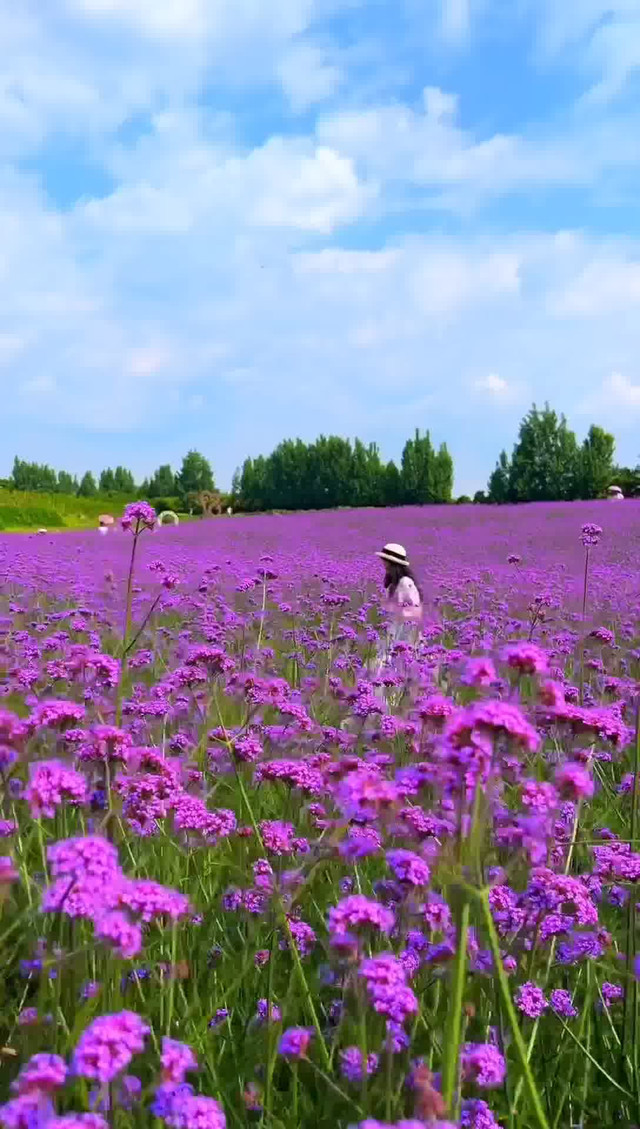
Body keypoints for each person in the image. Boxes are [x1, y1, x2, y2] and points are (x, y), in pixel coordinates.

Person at [373, 543, 423, 687]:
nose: (382, 562)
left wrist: (394, 609)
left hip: (402, 635)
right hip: (392, 632)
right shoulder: (393, 582)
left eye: (384, 559)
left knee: (393, 670)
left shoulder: (405, 582)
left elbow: (414, 610)